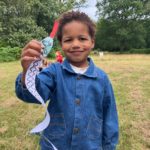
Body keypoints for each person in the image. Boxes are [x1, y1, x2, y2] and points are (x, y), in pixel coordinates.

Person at [15, 11, 119, 150]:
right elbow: (32, 94)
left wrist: (109, 146)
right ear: (61, 44)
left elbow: (109, 117)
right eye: (68, 40)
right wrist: (27, 73)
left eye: (82, 38)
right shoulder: (53, 72)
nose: (75, 44)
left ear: (92, 42)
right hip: (55, 145)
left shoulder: (102, 78)